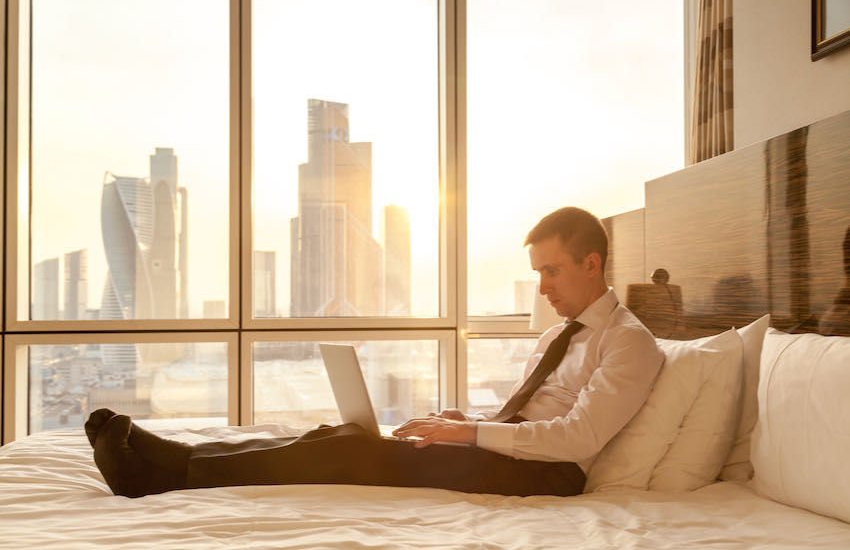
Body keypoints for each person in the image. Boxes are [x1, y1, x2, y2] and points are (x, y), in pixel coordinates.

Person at [86, 206, 664, 498]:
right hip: (511, 454)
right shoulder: (554, 334)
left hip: (550, 477)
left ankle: (164, 478)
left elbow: (578, 439)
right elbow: (527, 417)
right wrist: (469, 422)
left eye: (552, 271)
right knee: (334, 436)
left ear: (593, 264)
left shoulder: (630, 342)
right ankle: (171, 454)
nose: (542, 287)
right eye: (537, 272)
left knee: (355, 454)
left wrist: (471, 436)